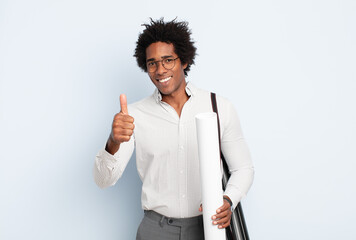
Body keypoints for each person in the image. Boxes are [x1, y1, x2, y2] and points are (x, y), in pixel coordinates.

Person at [93, 18, 254, 240]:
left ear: (184, 61)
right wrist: (113, 142)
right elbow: (103, 181)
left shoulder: (219, 107)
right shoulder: (133, 115)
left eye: (168, 60)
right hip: (156, 230)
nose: (160, 70)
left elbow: (243, 169)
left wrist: (228, 200)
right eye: (152, 63)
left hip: (209, 227)